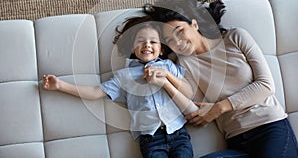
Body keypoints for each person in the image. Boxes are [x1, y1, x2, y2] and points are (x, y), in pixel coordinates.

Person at [142, 0, 298, 158]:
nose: (177, 42)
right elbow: (197, 112)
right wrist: (166, 81)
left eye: (180, 31)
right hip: (237, 142)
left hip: (270, 129)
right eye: (170, 40)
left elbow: (266, 86)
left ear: (194, 24)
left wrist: (219, 108)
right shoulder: (183, 64)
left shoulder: (235, 37)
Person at [43, 17, 198, 158]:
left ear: (162, 49)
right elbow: (95, 92)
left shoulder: (168, 66)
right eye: (141, 41)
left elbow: (187, 90)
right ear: (132, 48)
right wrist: (60, 85)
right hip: (151, 139)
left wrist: (167, 76)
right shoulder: (124, 76)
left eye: (153, 42)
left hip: (178, 133)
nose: (147, 45)